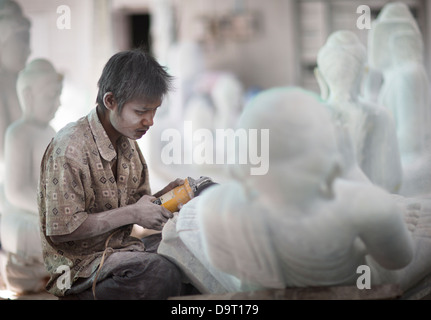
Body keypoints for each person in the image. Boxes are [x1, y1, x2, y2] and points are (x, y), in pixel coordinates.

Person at [37, 49, 190, 299]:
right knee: (161, 274)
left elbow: (137, 204)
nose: (150, 121)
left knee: (186, 251)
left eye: (154, 111)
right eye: (141, 112)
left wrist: (170, 195)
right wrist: (132, 213)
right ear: (110, 101)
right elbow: (62, 229)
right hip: (81, 269)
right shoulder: (70, 148)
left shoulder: (128, 143)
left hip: (122, 252)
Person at [1, 59, 61, 293]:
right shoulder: (17, 133)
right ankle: (36, 271)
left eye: (59, 96)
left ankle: (44, 272)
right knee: (25, 232)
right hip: (24, 213)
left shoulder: (52, 132)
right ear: (28, 96)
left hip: (49, 211)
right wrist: (49, 211)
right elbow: (15, 191)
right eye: (51, 96)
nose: (58, 103)